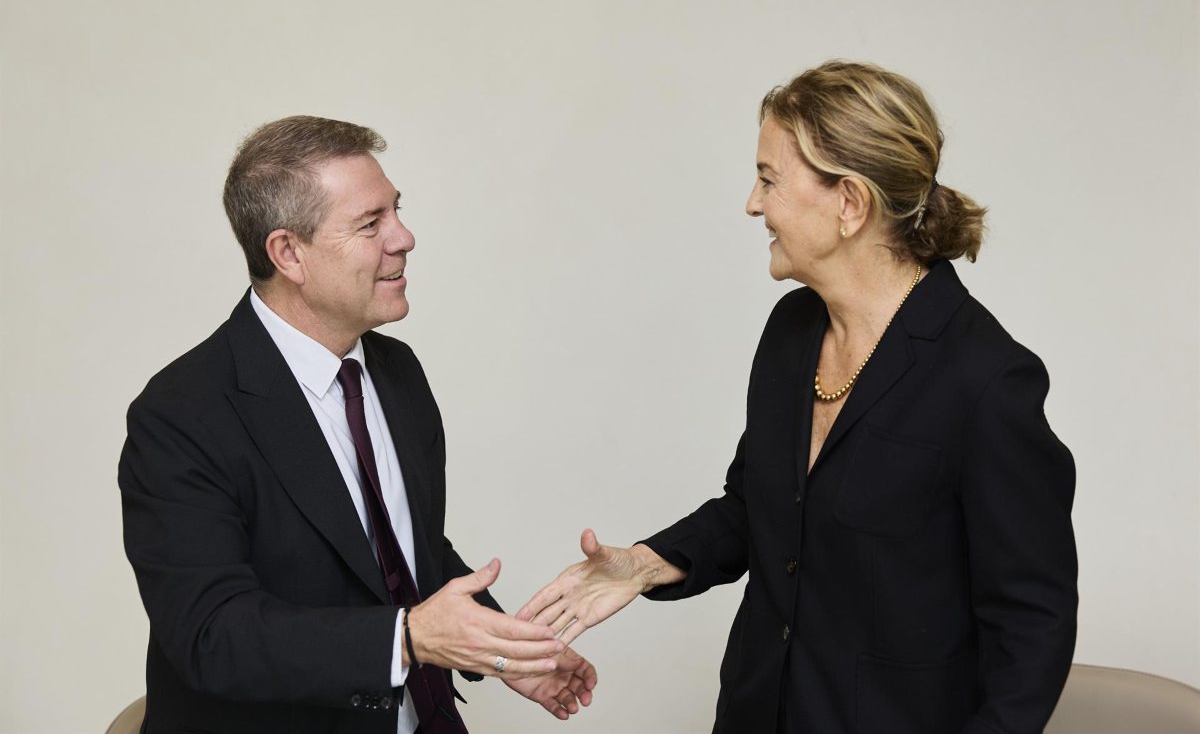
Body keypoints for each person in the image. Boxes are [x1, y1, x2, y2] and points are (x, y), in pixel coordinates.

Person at [518, 61, 1077, 734]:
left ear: (850, 203)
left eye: (769, 179)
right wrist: (643, 564)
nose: (752, 204)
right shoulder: (792, 332)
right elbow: (761, 509)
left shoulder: (987, 379)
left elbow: (1031, 632)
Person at [119, 116, 596, 734]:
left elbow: (400, 551)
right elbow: (213, 636)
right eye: (371, 224)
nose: (405, 237)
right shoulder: (181, 414)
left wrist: (507, 652)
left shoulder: (396, 370)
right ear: (288, 253)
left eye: (396, 211)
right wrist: (410, 636)